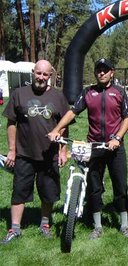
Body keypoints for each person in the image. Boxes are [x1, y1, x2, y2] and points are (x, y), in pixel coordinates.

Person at [47, 58, 128, 239]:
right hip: (94, 146)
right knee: (94, 187)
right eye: (98, 70)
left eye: (105, 70)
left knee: (121, 186)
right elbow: (72, 112)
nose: (101, 73)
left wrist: (117, 137)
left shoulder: (119, 92)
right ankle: (97, 226)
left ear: (112, 72)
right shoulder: (88, 92)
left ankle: (124, 225)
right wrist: (56, 129)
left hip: (115, 147)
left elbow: (127, 117)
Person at [1, 60, 70, 244]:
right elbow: (10, 123)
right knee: (19, 191)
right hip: (24, 154)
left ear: (50, 76)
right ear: (33, 72)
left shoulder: (58, 97)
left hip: (49, 155)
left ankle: (45, 224)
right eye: (38, 73)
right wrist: (11, 150)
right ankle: (15, 228)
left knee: (48, 192)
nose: (41, 77)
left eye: (45, 74)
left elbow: (64, 127)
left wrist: (63, 150)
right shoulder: (19, 94)